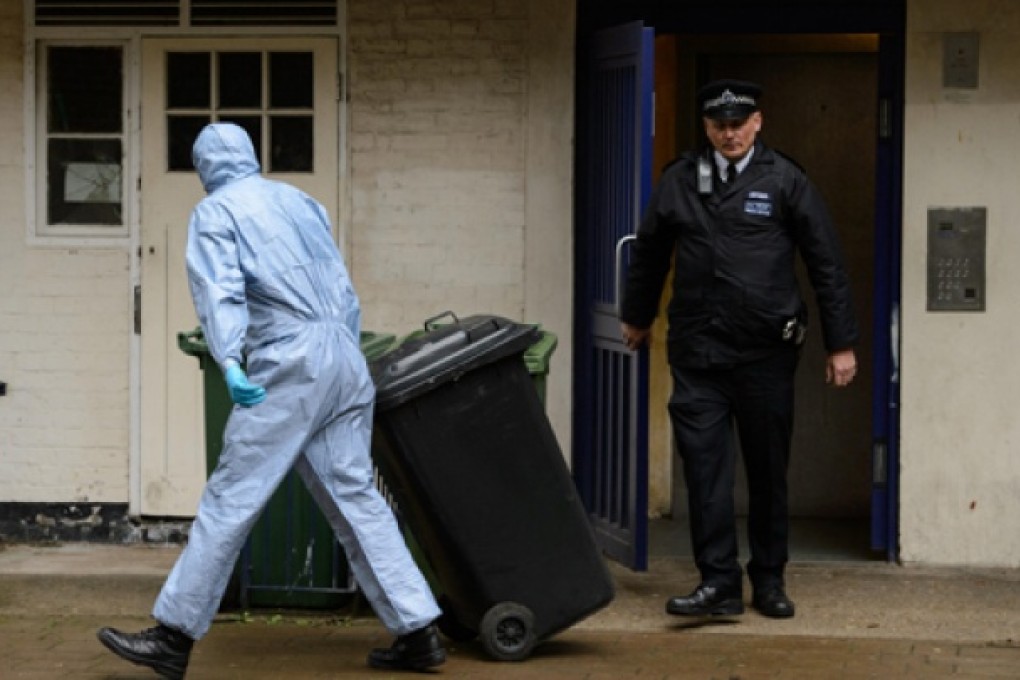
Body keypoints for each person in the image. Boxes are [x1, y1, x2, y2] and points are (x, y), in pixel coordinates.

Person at [97, 122, 445, 678]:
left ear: (205, 165)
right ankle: (418, 629)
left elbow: (220, 291)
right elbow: (338, 282)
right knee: (356, 497)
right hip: (343, 356)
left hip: (289, 360)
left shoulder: (217, 212)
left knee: (233, 495)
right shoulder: (300, 200)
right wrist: (341, 352)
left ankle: (174, 635)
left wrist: (230, 360)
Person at [619, 80, 859, 620]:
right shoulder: (680, 180)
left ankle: (769, 578)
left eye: (738, 123)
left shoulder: (785, 180)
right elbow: (650, 254)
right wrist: (638, 316)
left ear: (757, 123)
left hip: (764, 356)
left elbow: (827, 264)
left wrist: (841, 344)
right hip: (699, 352)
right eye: (718, 125)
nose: (729, 133)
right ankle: (719, 582)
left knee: (767, 469)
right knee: (705, 470)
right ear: (706, 127)